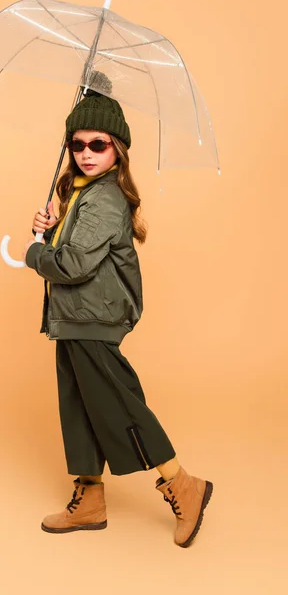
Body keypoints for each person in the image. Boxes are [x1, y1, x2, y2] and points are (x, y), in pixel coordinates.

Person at [21, 73, 213, 548]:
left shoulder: (104, 198)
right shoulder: (82, 193)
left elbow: (70, 264)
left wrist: (33, 252)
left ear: (118, 150)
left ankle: (184, 485)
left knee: (119, 405)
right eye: (77, 144)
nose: (86, 152)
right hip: (74, 317)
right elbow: (67, 251)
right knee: (79, 406)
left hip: (94, 318)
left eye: (99, 144)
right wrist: (48, 228)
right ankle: (89, 499)